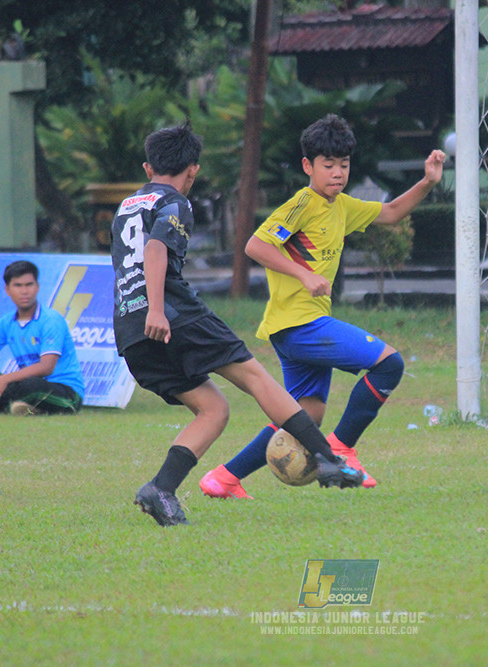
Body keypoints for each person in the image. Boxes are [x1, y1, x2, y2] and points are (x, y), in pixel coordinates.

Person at [110, 123, 364, 528]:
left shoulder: (127, 205)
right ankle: (327, 459)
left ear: (147, 166)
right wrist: (157, 309)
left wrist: (146, 313)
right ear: (192, 170)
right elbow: (156, 249)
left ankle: (160, 488)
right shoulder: (176, 202)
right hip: (171, 314)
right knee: (254, 377)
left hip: (128, 326)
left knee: (213, 409)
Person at [199, 114, 445, 499]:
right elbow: (256, 246)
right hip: (299, 325)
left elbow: (392, 213)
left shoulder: (342, 206)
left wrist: (428, 181)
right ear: (307, 166)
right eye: (328, 165)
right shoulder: (302, 204)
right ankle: (343, 448)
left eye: (343, 165)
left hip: (300, 325)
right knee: (389, 363)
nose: (337, 173)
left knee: (304, 415)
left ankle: (224, 478)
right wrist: (303, 275)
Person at [0, 260, 85, 416]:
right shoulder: (6, 323)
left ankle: (15, 405)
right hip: (24, 385)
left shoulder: (51, 320)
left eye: (29, 285)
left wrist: (4, 380)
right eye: (18, 286)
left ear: (37, 287)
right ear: (7, 290)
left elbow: (46, 367)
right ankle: (26, 407)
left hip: (65, 391)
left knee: (30, 386)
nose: (24, 291)